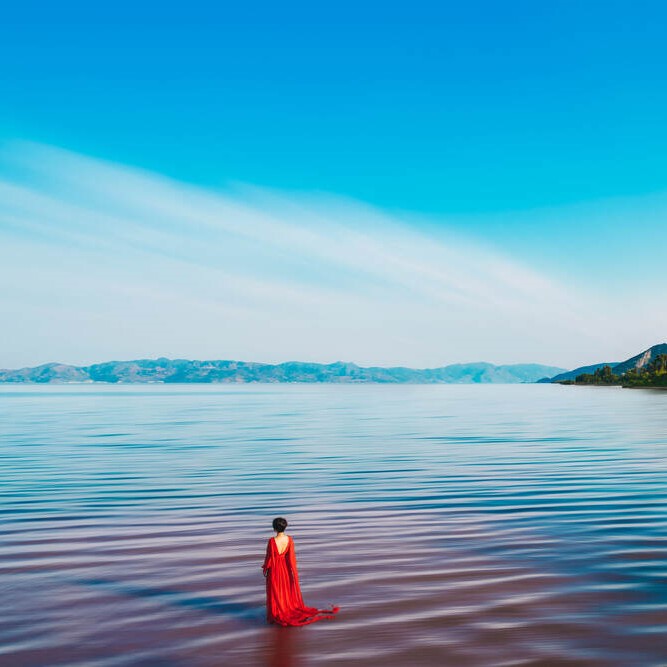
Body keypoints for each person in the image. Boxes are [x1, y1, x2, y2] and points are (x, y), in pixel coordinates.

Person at [262, 517, 339, 626]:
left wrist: (265, 568)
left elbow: (269, 557)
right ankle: (286, 607)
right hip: (286, 568)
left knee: (276, 589)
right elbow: (291, 557)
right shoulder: (289, 539)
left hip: (275, 568)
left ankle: (279, 610)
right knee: (285, 588)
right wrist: (292, 571)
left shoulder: (272, 541)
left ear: (274, 528)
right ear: (285, 527)